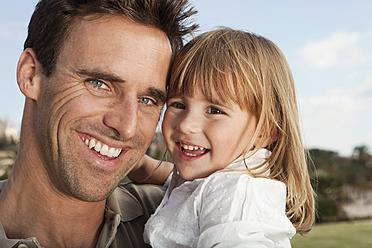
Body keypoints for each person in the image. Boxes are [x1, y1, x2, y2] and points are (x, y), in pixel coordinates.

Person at [0, 0, 197, 247]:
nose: (127, 127)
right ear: (30, 75)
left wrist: (187, 181)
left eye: (147, 100)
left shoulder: (188, 219)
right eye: (99, 84)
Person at [128, 28, 315, 247]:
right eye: (178, 104)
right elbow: (172, 177)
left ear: (265, 130)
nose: (187, 124)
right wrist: (137, 164)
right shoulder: (216, 176)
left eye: (215, 111)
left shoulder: (238, 195)